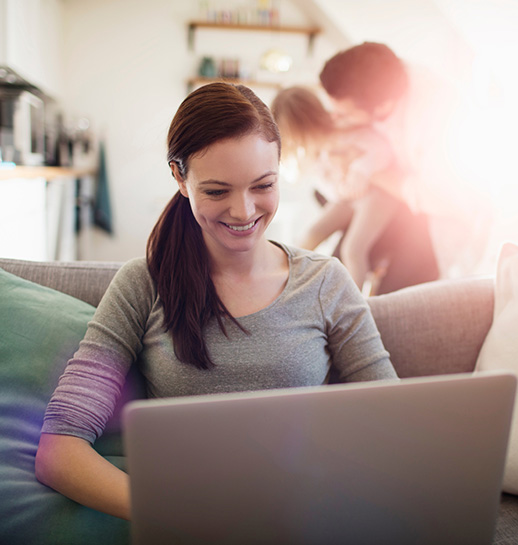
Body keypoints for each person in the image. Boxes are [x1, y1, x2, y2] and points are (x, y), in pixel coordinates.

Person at [34, 83, 398, 521]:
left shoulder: (326, 281)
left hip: (304, 514)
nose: (244, 212)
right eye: (217, 191)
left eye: (263, 185)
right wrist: (175, 514)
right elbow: (59, 450)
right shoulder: (142, 284)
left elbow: (392, 421)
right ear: (179, 178)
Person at [319, 42, 492, 278]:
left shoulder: (439, 117)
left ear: (383, 107)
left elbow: (437, 198)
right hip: (395, 196)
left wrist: (370, 171)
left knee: (389, 278)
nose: (335, 118)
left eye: (344, 114)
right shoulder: (375, 80)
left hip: (441, 217)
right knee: (337, 256)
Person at [272, 85, 439, 294]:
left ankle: (354, 302)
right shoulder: (317, 153)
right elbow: (330, 190)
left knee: (353, 248)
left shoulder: (344, 132)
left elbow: (380, 150)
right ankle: (284, 287)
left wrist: (359, 171)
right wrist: (340, 184)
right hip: (350, 197)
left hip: (377, 195)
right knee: (310, 234)